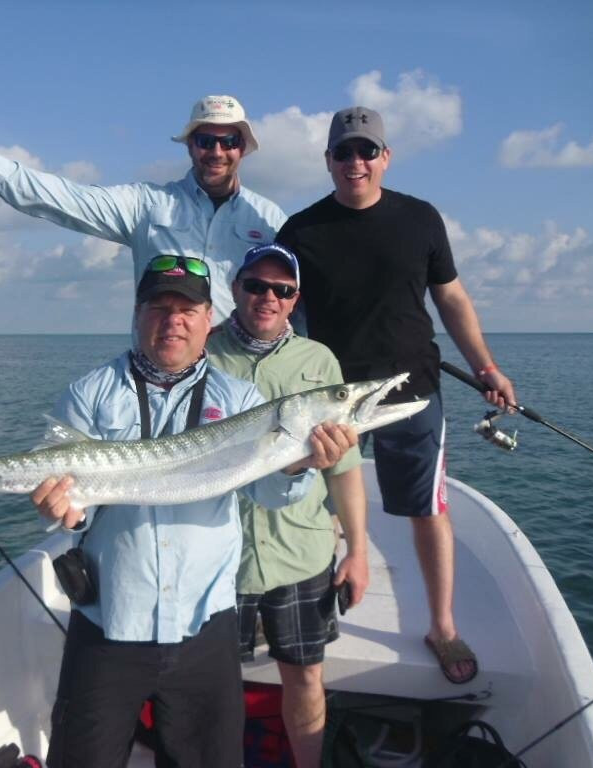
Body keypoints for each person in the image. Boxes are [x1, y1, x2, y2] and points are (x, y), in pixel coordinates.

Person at [30, 255, 358, 768]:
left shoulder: (239, 399)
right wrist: (64, 514)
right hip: (110, 620)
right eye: (159, 306)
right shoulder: (89, 393)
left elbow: (269, 494)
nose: (173, 320)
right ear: (137, 314)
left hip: (205, 626)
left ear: (209, 319)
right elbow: (70, 511)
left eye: (187, 309)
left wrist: (301, 468)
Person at [275, 106, 518, 685]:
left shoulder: (421, 219)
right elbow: (281, 313)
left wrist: (485, 365)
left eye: (366, 151)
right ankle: (311, 620)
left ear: (385, 157)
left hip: (414, 391)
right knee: (319, 510)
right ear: (328, 160)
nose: (355, 162)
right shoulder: (301, 232)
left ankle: (442, 625)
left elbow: (451, 299)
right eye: (343, 152)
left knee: (427, 510)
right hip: (333, 398)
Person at [205, 243, 368, 767]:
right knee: (211, 680)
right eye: (256, 285)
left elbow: (344, 468)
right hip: (216, 556)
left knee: (304, 674)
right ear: (235, 290)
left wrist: (358, 550)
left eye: (283, 290)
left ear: (295, 299)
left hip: (301, 551)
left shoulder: (318, 361)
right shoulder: (199, 352)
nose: (268, 298)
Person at [0, 95, 285, 322]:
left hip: (241, 381)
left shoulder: (270, 219)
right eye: (205, 141)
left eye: (228, 141)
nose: (216, 151)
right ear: (190, 146)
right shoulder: (147, 204)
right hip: (163, 375)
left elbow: (292, 300)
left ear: (242, 149)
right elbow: (70, 201)